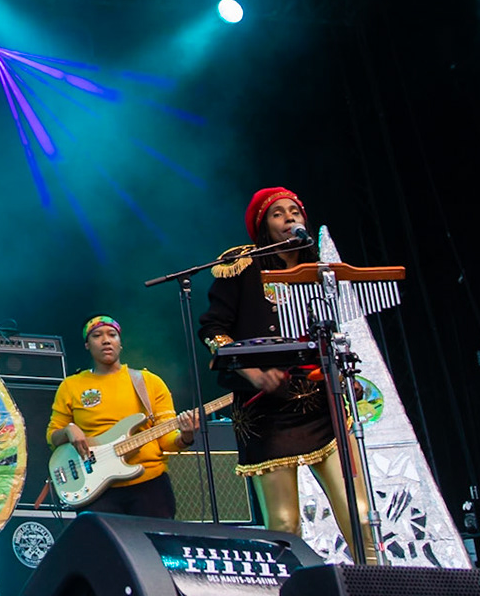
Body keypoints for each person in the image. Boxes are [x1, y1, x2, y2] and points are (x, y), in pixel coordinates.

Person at [199, 186, 375, 560]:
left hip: (321, 405)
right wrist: (251, 370)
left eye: (294, 211)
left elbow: (331, 334)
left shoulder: (318, 273)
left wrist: (346, 375)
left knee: (359, 516)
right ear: (263, 226)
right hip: (267, 412)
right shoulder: (242, 267)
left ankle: (378, 593)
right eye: (278, 213)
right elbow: (213, 331)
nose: (290, 217)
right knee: (284, 525)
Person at [46, 315, 198, 518]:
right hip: (96, 489)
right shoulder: (71, 386)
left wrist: (185, 437)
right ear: (87, 345)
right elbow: (52, 438)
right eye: (97, 335)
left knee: (154, 546)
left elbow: (166, 441)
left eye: (112, 335)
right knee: (104, 549)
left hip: (149, 485)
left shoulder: (148, 382)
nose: (106, 340)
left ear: (120, 343)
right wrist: (68, 431)